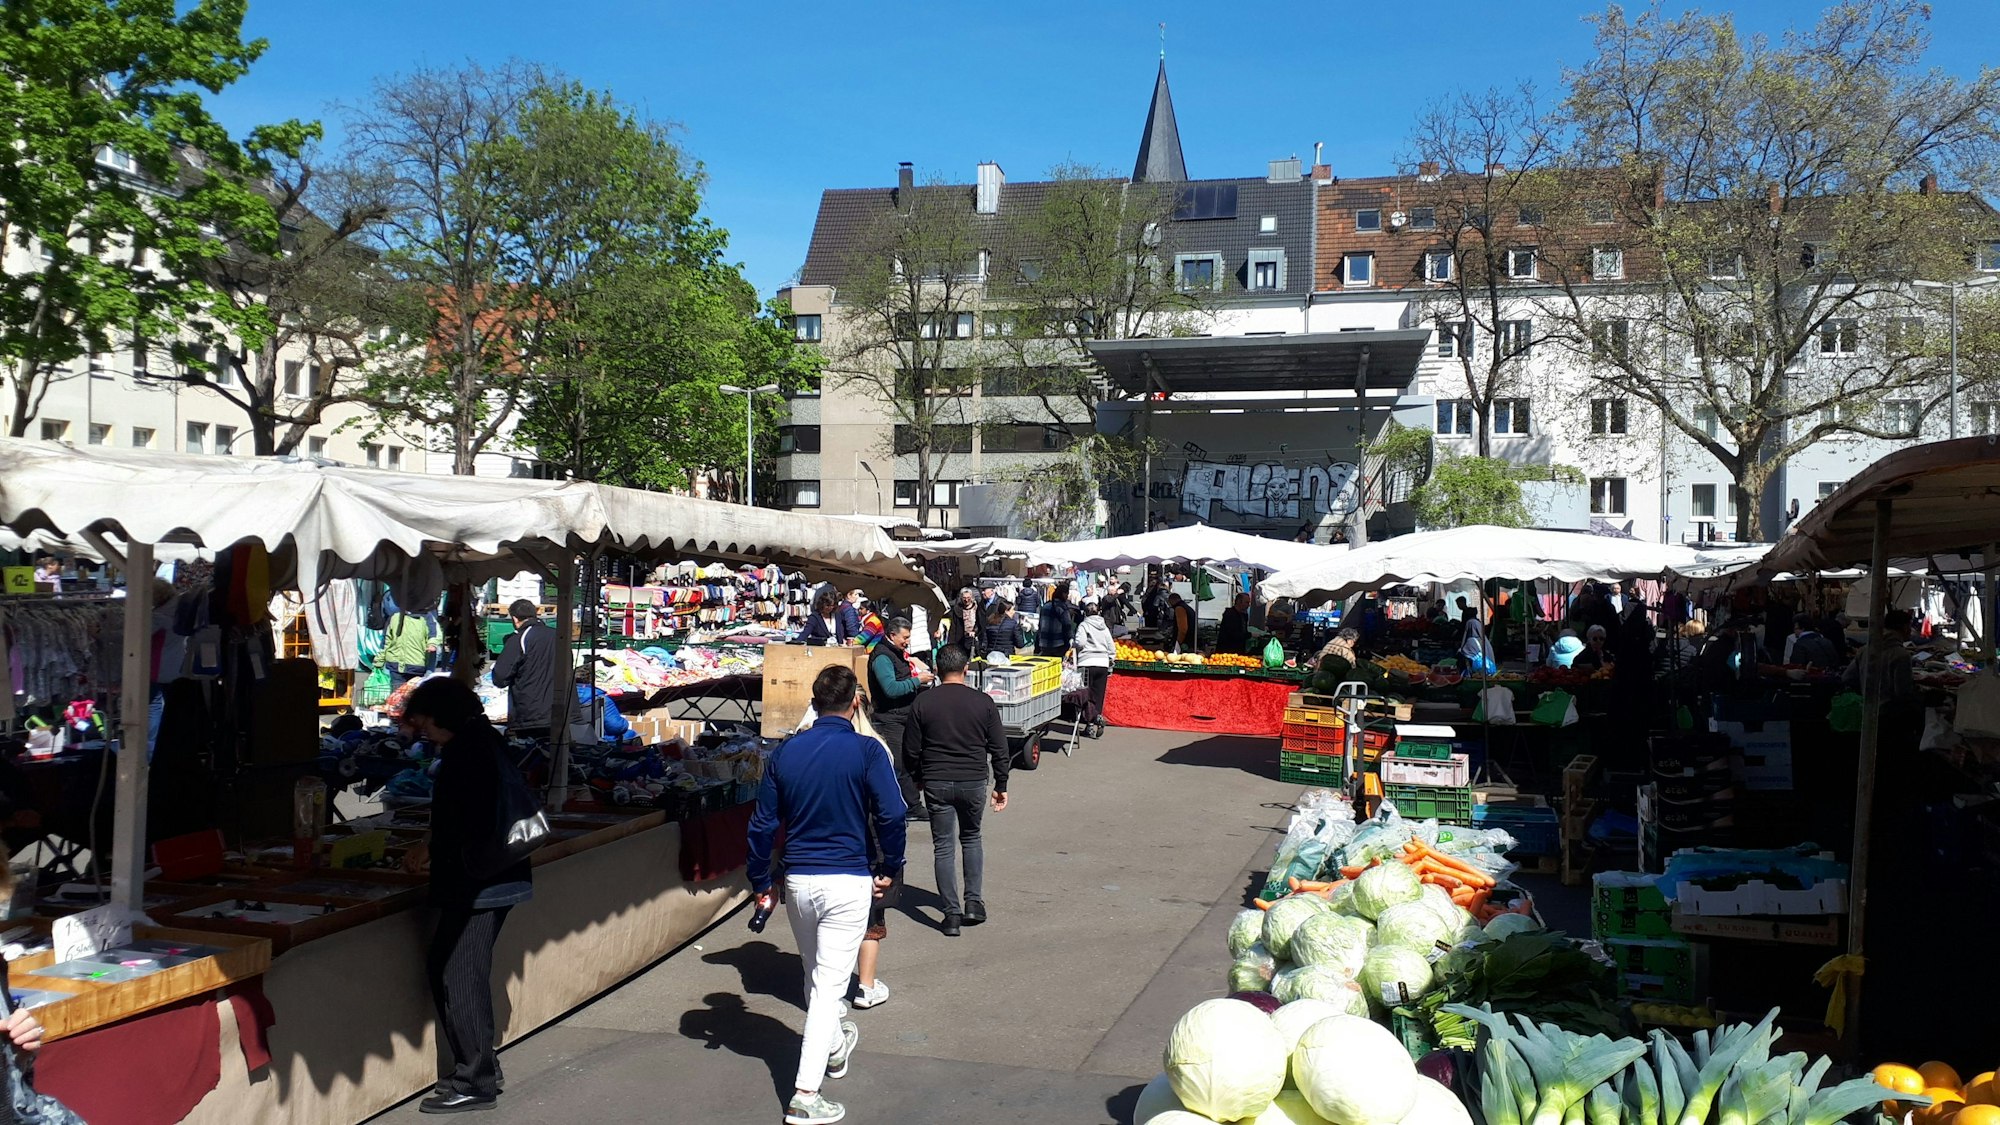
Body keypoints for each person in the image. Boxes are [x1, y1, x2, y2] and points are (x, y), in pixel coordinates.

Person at [747, 666, 907, 1125]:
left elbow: (761, 824)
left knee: (816, 974)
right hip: (846, 879)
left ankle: (835, 1047)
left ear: (814, 703)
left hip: (799, 878)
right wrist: (890, 867)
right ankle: (805, 1092)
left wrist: (760, 880)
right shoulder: (866, 751)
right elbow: (893, 814)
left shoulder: (786, 752)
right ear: (854, 703)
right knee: (825, 990)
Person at [397, 678, 534, 1114]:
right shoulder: (480, 740)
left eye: (425, 723)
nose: (423, 733)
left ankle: (475, 1080)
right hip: (491, 877)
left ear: (442, 715)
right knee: (454, 968)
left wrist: (432, 850)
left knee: (459, 972)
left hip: (483, 883)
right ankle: (481, 1067)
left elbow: (466, 824)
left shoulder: (467, 753)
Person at [902, 645, 1009, 937]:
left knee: (944, 847)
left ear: (936, 670)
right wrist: (1001, 784)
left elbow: (910, 750)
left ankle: (950, 915)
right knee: (971, 838)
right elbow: (999, 748)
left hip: (937, 780)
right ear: (966, 670)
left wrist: (918, 777)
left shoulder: (923, 703)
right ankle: (973, 902)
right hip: (973, 780)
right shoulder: (983, 702)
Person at [491, 599, 560, 739]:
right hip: (558, 712)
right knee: (554, 755)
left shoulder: (519, 638)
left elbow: (500, 677)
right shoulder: (557, 636)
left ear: (515, 619)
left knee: (531, 756)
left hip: (529, 714)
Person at [1842, 608, 1918, 700]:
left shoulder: (1864, 650)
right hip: (1889, 712)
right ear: (1905, 628)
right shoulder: (1901, 655)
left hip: (1866, 708)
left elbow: (1847, 678)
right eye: (1910, 626)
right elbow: (1903, 693)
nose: (1911, 630)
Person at [1073, 601, 1115, 736]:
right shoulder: (1104, 627)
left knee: (1087, 694)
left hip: (1087, 662)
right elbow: (1111, 646)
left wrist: (1073, 644)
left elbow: (1081, 642)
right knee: (1099, 694)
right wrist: (1110, 661)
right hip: (1102, 663)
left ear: (1085, 612)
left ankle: (1090, 723)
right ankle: (1098, 715)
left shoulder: (1084, 625)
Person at [379, 606, 438, 689]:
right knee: (400, 697)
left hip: (415, 666)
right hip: (397, 665)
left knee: (405, 697)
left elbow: (433, 635)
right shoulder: (395, 616)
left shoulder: (426, 617)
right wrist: (379, 661)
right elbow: (386, 640)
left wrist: (432, 644)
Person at [1034, 582, 1076, 657]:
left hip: (1044, 643)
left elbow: (1040, 625)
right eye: (1067, 594)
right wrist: (1071, 640)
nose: (1067, 596)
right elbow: (1067, 626)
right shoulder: (1062, 607)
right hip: (1058, 643)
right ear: (1063, 594)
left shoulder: (1045, 606)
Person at [942, 587, 981, 659]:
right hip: (961, 639)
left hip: (975, 638)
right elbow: (953, 627)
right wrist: (951, 643)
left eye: (968, 598)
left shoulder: (978, 608)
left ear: (972, 597)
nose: (966, 600)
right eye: (964, 598)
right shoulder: (957, 609)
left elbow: (980, 623)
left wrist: (975, 630)